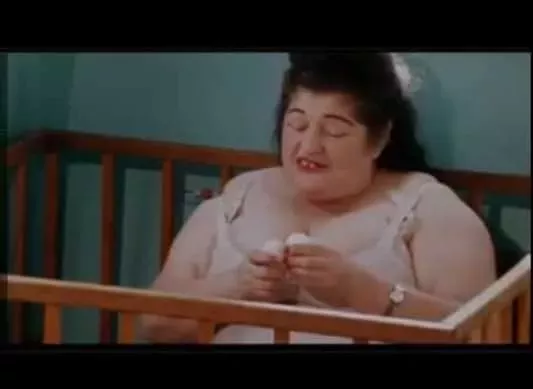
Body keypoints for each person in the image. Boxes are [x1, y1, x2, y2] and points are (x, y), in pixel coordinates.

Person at [138, 52, 496, 343]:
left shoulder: (427, 208)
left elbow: (482, 332)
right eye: (297, 124)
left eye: (335, 131)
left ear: (379, 139)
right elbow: (151, 323)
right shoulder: (234, 199)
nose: (308, 146)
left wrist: (362, 291)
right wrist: (237, 287)